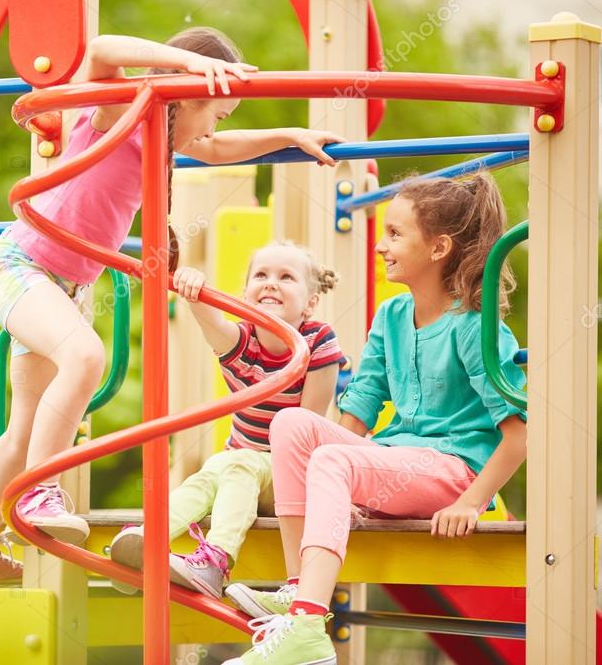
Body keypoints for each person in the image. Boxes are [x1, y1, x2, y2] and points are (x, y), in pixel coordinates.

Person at [0, 27, 344, 590]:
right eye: (217, 113)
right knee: (85, 358)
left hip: (66, 286)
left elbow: (217, 147)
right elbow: (103, 49)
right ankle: (38, 491)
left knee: (20, 432)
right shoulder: (121, 111)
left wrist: (291, 135)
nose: (215, 128)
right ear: (185, 92)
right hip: (21, 266)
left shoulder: (165, 136)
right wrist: (184, 63)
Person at [222, 173, 528, 665]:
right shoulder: (390, 315)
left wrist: (472, 504)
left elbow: (518, 436)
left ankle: (306, 629)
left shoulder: (474, 326)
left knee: (332, 462)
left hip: (453, 473)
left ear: (438, 248)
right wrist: (333, 472)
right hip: (396, 460)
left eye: (394, 234)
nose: (381, 246)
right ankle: (301, 585)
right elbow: (363, 399)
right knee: (291, 426)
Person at [108, 241, 345, 599]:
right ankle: (149, 538)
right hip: (240, 464)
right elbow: (212, 323)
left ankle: (215, 563)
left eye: (286, 277)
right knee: (206, 476)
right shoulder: (242, 342)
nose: (270, 283)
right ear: (246, 293)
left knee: (239, 465)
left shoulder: (318, 341)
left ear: (310, 303)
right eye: (261, 275)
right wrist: (194, 292)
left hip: (291, 476)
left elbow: (306, 428)